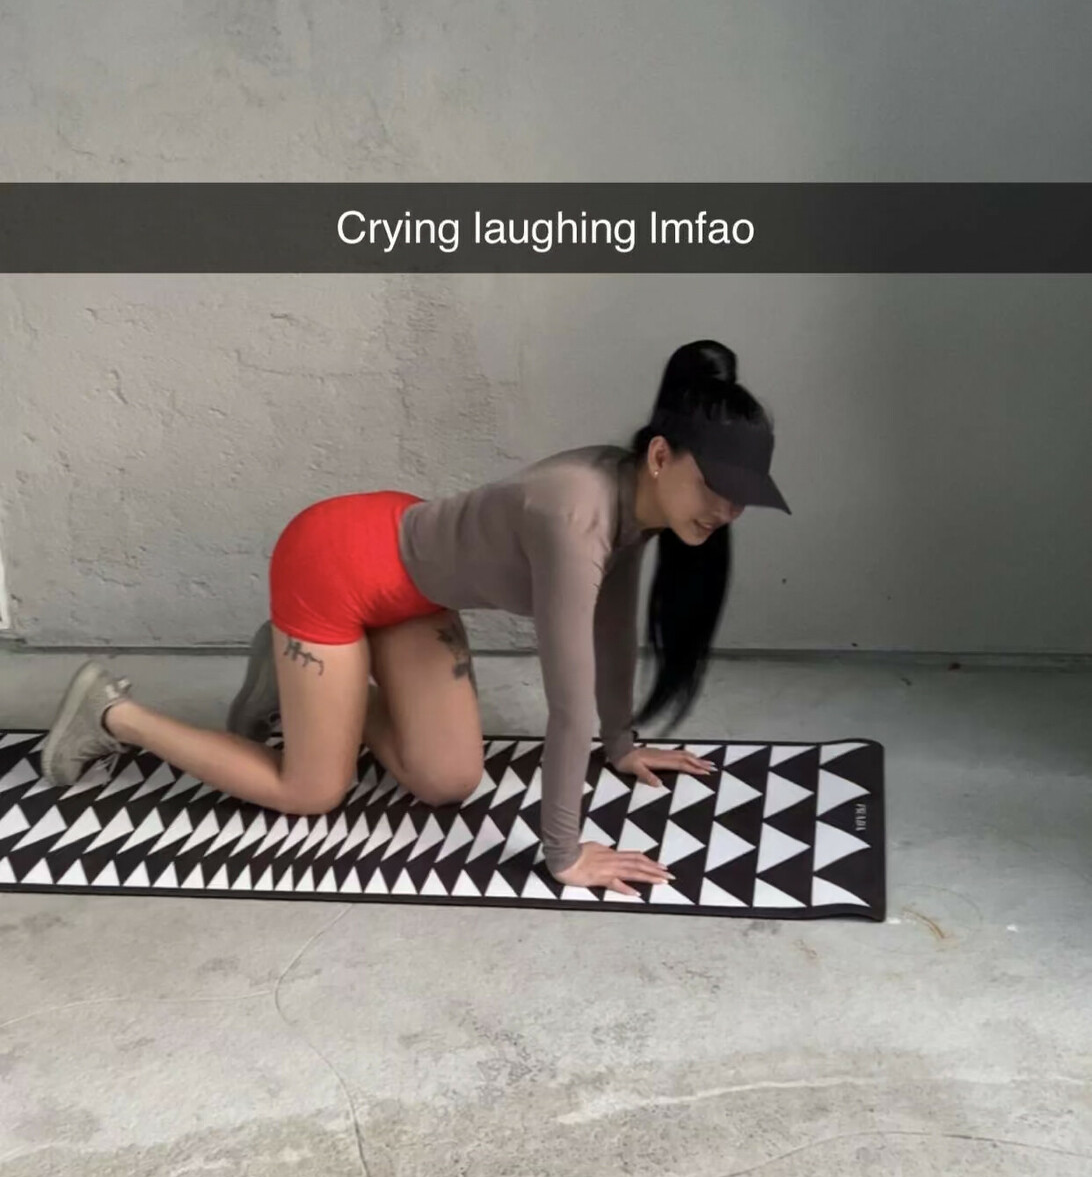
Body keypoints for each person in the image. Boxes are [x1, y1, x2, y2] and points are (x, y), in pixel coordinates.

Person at [40, 339, 790, 898]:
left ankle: (301, 682)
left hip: (412, 589)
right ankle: (111, 713)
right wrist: (563, 854)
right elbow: (567, 703)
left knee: (448, 779)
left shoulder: (634, 505)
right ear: (660, 456)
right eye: (716, 487)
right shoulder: (577, 515)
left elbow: (612, 631)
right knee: (313, 790)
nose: (727, 511)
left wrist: (621, 745)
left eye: (742, 498)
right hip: (334, 563)